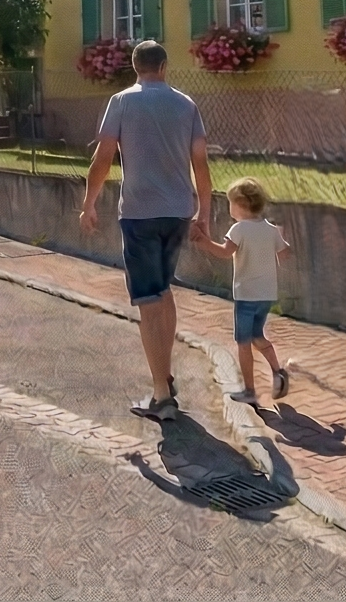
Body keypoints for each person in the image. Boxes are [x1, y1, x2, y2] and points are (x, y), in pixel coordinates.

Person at [76, 39, 213, 422]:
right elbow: (201, 163)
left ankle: (161, 397)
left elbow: (103, 157)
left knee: (150, 302)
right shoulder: (186, 104)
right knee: (163, 292)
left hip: (139, 215)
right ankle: (165, 377)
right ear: (164, 67)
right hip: (178, 213)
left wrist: (88, 203)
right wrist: (204, 213)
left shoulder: (121, 102)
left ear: (136, 67)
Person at [200, 176, 290, 403]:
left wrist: (203, 242)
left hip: (246, 295)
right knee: (257, 336)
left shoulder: (238, 229)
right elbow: (285, 253)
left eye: (231, 202)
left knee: (243, 343)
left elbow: (224, 252)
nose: (229, 207)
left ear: (241, 204)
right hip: (266, 295)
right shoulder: (270, 230)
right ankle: (278, 371)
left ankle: (249, 391)